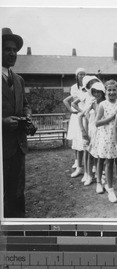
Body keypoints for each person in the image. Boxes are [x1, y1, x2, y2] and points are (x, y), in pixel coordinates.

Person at [2, 28, 31, 217]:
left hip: (19, 146)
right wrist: (2, 121)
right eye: (7, 49)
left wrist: (28, 117)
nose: (12, 53)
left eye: (15, 50)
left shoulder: (19, 79)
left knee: (17, 191)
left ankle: (17, 228)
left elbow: (26, 105)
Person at [95, 80, 117, 202]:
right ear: (105, 91)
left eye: (114, 90)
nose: (111, 92)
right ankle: (108, 187)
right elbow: (97, 122)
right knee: (108, 162)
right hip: (106, 137)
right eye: (109, 90)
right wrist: (112, 117)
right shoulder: (103, 105)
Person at [79, 81, 106, 186]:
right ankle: (89, 175)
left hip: (103, 131)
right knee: (90, 154)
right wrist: (83, 131)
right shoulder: (92, 102)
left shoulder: (105, 102)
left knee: (100, 155)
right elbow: (81, 116)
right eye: (94, 92)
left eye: (99, 92)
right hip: (92, 130)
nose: (96, 94)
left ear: (103, 92)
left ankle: (99, 176)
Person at [63, 68, 86, 171]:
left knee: (83, 138)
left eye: (83, 74)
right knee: (76, 138)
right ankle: (77, 161)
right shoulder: (73, 87)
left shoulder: (87, 86)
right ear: (76, 76)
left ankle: (85, 162)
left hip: (85, 112)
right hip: (77, 114)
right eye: (80, 74)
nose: (82, 76)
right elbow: (71, 100)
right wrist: (71, 111)